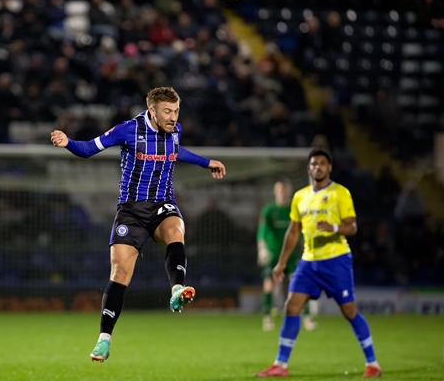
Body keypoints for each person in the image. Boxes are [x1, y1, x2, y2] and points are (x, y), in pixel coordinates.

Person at [50, 86, 226, 362]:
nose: (173, 117)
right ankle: (104, 340)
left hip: (162, 204)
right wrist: (67, 142)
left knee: (176, 229)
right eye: (167, 111)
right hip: (131, 210)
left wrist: (207, 163)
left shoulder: (174, 130)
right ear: (152, 111)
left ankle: (177, 288)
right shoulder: (127, 130)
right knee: (120, 273)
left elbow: (176, 152)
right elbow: (87, 149)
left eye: (176, 110)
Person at [256, 148, 381, 378]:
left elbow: (352, 227)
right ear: (308, 168)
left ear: (329, 167)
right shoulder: (300, 196)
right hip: (309, 262)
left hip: (336, 260)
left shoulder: (340, 193)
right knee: (291, 306)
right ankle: (280, 365)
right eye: (314, 164)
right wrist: (281, 263)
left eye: (322, 163)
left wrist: (333, 228)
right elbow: (293, 232)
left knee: (349, 311)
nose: (318, 167)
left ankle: (372, 363)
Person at [257, 178, 316, 332]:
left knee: (299, 284)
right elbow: (262, 231)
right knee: (268, 284)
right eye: (280, 190)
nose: (282, 193)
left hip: (290, 255)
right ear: (275, 192)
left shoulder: (295, 210)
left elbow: (302, 231)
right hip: (273, 254)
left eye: (285, 190)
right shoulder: (269, 210)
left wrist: (307, 249)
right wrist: (262, 248)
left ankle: (308, 318)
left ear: (289, 192)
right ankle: (267, 318)